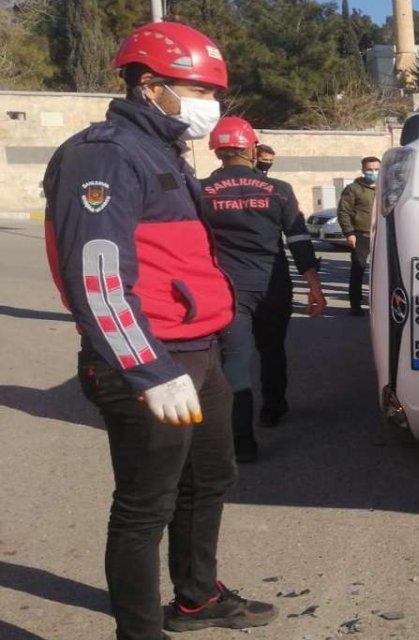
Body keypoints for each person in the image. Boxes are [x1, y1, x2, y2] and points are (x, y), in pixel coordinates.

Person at [41, 21, 277, 639]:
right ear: (150, 86)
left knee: (211, 479)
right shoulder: (104, 155)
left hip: (197, 351)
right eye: (196, 89)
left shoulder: (158, 151)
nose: (210, 106)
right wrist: (148, 370)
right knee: (146, 508)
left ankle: (197, 599)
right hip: (148, 360)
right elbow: (96, 275)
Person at [201, 117, 326, 462]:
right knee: (272, 349)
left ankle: (242, 441)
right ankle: (273, 408)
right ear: (252, 149)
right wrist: (314, 287)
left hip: (227, 289)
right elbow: (299, 239)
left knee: (236, 358)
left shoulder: (201, 191)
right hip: (273, 285)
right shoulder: (279, 190)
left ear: (217, 152)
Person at [338, 157, 379, 316]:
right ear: (363, 171)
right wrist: (349, 233)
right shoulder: (353, 189)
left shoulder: (387, 187)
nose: (373, 172)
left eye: (376, 169)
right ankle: (355, 304)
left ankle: (377, 304)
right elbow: (344, 212)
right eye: (369, 169)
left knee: (381, 272)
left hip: (381, 236)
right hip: (361, 235)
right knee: (358, 269)